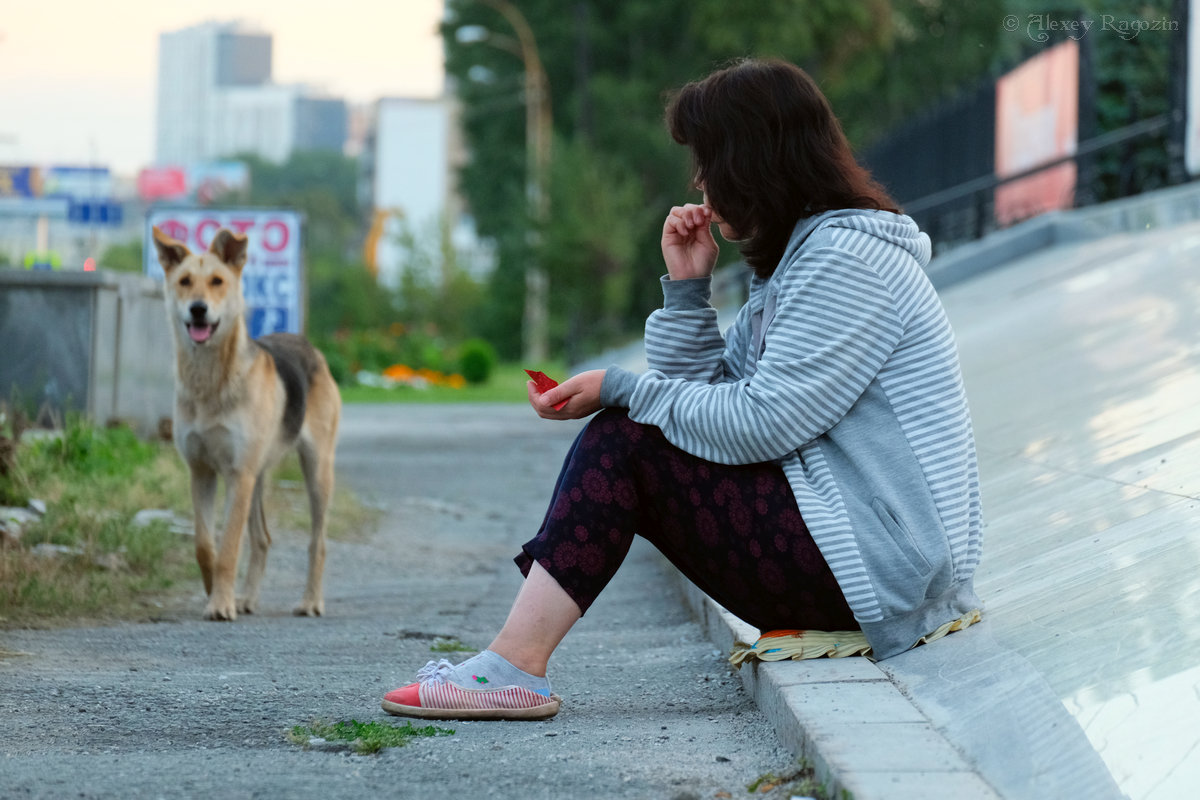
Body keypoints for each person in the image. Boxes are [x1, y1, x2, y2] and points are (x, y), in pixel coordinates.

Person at [381, 57, 983, 722]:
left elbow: (759, 425)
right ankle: (511, 663)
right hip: (847, 549)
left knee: (624, 438)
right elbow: (705, 420)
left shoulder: (849, 262)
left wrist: (622, 390)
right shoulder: (807, 259)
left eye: (709, 160)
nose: (699, 182)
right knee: (632, 432)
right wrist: (688, 292)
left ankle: (513, 665)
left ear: (755, 160)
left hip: (878, 565)